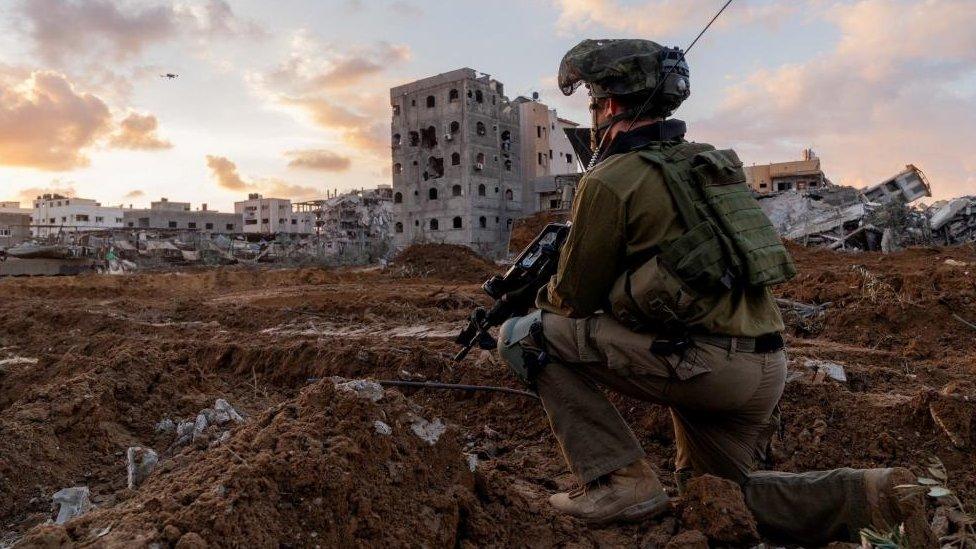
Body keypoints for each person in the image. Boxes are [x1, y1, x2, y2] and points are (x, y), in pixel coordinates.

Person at [496, 39, 933, 546]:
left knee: (524, 337)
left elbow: (568, 301)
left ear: (611, 104)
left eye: (592, 102)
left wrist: (532, 296)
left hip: (704, 366)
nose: (591, 114)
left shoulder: (610, 179)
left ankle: (620, 483)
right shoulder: (707, 163)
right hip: (764, 363)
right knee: (715, 495)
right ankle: (874, 497)